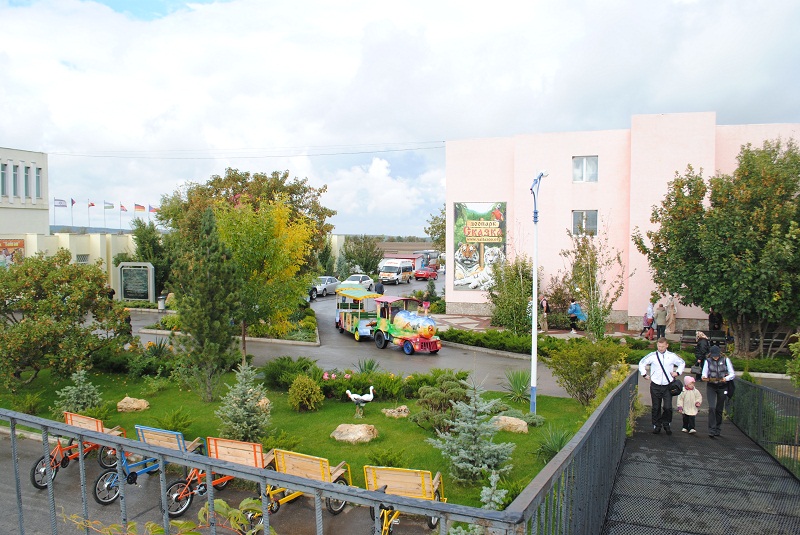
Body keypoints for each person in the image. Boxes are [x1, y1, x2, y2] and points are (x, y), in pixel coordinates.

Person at [639, 337, 686, 435]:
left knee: (667, 407)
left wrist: (677, 372)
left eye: (662, 346)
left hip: (667, 385)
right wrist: (644, 374)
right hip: (655, 385)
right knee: (656, 407)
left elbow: (682, 363)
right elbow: (642, 363)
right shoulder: (652, 356)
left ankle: (666, 423)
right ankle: (657, 425)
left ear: (667, 346)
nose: (660, 348)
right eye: (659, 346)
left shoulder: (672, 356)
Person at [702, 345, 735, 438]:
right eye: (714, 356)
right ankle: (711, 429)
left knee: (719, 409)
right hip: (711, 386)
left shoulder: (725, 360)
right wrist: (704, 377)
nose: (715, 357)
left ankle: (718, 428)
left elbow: (732, 373)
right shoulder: (708, 361)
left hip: (723, 386)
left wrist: (726, 378)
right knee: (712, 407)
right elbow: (704, 373)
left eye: (716, 355)